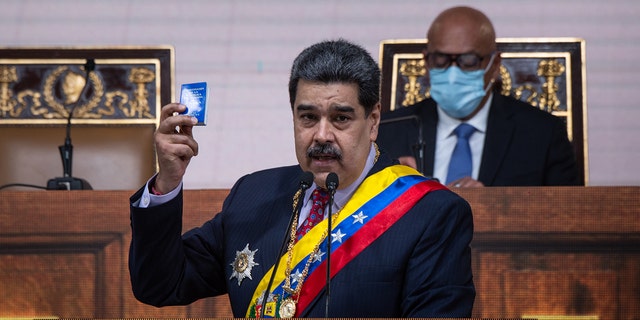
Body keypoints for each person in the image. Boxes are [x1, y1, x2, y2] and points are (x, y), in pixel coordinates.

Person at [129, 39, 475, 318]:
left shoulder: (431, 213)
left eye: (341, 119)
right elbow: (160, 285)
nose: (321, 135)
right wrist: (167, 183)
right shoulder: (253, 194)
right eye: (308, 117)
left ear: (372, 122)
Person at [376, 6, 580, 188]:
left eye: (468, 60)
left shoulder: (543, 134)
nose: (453, 72)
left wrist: (489, 207)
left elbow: (569, 216)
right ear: (426, 62)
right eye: (440, 59)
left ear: (494, 66)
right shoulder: (386, 131)